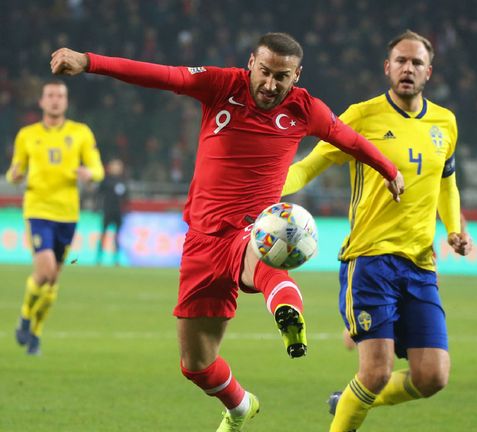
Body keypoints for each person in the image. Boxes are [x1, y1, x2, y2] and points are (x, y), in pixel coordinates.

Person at [50, 32, 405, 432]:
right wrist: (90, 61)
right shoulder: (222, 86)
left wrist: (388, 170)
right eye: (266, 72)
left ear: (297, 75)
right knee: (196, 364)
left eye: (283, 77)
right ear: (251, 62)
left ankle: (288, 313)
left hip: (253, 228)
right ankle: (240, 405)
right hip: (201, 239)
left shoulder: (306, 109)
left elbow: (350, 140)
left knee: (265, 250)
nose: (271, 85)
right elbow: (163, 76)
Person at [282, 30, 471, 432]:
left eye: (416, 63)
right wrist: (264, 188)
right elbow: (309, 165)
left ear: (429, 72)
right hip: (370, 261)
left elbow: (445, 181)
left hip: (421, 264)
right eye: (400, 61)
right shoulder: (361, 116)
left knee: (432, 377)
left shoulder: (446, 123)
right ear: (387, 68)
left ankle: (345, 401)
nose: (408, 68)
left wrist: (454, 227)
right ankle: (350, 408)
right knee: (375, 373)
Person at [6, 79, 105, 356]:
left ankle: (35, 333)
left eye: (60, 95)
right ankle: (25, 317)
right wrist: (14, 175)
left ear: (66, 101)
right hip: (38, 209)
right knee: (45, 271)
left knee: (52, 281)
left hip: (68, 213)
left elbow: (98, 168)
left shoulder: (81, 133)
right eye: (50, 95)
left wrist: (90, 174)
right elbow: (14, 171)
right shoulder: (27, 135)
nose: (55, 100)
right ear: (41, 101)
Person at [96, 158, 129, 266]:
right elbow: (98, 193)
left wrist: (126, 210)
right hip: (107, 211)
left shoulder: (123, 181)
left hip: (118, 212)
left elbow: (126, 198)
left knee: (117, 236)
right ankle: (99, 257)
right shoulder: (106, 180)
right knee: (104, 233)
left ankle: (116, 259)